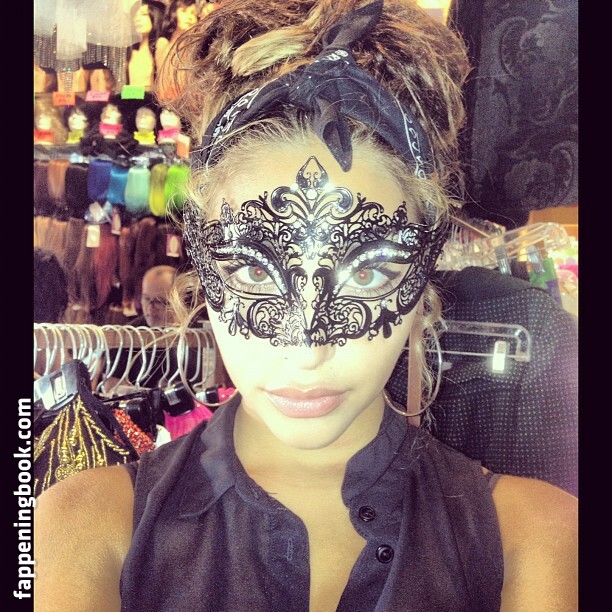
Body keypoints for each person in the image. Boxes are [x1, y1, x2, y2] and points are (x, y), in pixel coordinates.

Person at [34, 2, 578, 611]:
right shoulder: (85, 526)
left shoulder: (536, 537)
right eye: (253, 271)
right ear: (205, 269)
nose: (307, 350)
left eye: (366, 272)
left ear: (424, 277)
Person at [127, 0, 165, 89]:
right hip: (131, 97)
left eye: (143, 14)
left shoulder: (162, 47)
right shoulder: (130, 50)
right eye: (135, 15)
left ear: (155, 17)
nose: (137, 19)